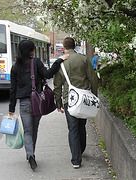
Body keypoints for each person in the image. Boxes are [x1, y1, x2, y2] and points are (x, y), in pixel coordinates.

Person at [9, 40, 69, 171]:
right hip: (37, 102)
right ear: (31, 51)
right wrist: (59, 60)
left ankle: (30, 154)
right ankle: (31, 154)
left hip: (24, 103)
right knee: (34, 129)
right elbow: (48, 74)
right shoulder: (36, 62)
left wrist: (11, 108)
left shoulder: (15, 67)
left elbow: (12, 89)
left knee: (28, 131)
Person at [54, 37, 98, 169]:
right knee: (81, 126)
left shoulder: (62, 62)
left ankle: (76, 160)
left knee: (72, 129)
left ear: (65, 47)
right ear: (75, 46)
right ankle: (81, 149)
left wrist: (58, 102)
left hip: (69, 100)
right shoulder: (84, 59)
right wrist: (94, 96)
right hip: (83, 99)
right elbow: (93, 79)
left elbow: (57, 85)